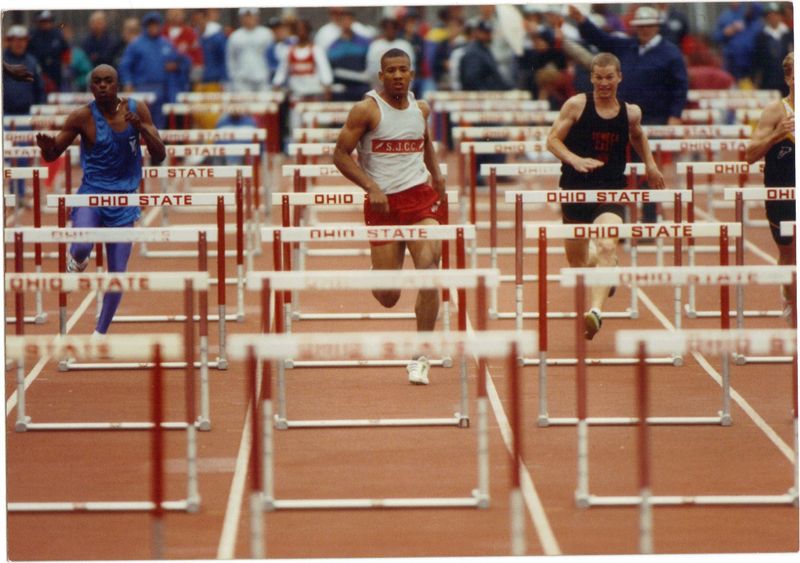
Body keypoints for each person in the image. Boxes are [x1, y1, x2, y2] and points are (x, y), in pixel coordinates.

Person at [333, 48, 446, 385]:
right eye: (391, 71)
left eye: (403, 70)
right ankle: (379, 274)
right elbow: (339, 154)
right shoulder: (367, 110)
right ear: (380, 76)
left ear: (412, 74)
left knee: (429, 269)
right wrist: (371, 186)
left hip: (419, 200)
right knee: (388, 297)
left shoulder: (421, 108)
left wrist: (437, 175)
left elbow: (425, 142)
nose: (398, 76)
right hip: (382, 206)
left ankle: (420, 355)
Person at [35, 65, 166, 338]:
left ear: (117, 84)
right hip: (92, 193)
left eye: (108, 81)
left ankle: (99, 334)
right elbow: (53, 153)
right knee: (82, 244)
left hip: (125, 199)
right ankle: (77, 261)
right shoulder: (82, 117)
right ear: (91, 87)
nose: (103, 86)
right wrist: (47, 148)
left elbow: (160, 154)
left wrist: (141, 129)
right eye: (97, 82)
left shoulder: (136, 109)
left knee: (116, 272)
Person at [546, 52, 665, 340]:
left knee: (607, 243)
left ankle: (595, 312)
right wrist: (575, 160)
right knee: (578, 262)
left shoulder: (630, 112)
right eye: (598, 78)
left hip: (610, 190)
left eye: (609, 77)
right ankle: (607, 269)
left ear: (619, 77)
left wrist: (650, 163)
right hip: (575, 190)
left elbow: (637, 135)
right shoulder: (576, 106)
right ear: (592, 78)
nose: (604, 83)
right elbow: (552, 140)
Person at [568, 4, 687, 225]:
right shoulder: (626, 45)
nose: (644, 30)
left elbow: (681, 86)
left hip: (656, 120)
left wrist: (675, 115)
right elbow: (600, 39)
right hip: (622, 118)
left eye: (648, 26)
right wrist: (582, 20)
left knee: (649, 169)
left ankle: (650, 218)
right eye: (640, 26)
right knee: (617, 168)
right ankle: (617, 218)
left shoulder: (671, 53)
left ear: (657, 26)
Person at [745, 52, 795, 322]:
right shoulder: (776, 111)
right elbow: (750, 154)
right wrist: (777, 134)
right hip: (782, 192)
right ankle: (790, 298)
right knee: (788, 253)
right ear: (789, 78)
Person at [118, 11, 184, 128]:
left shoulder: (166, 43)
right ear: (145, 26)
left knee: (159, 126)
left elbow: (181, 61)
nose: (153, 27)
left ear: (160, 25)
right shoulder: (136, 44)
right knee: (139, 124)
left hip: (163, 90)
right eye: (150, 24)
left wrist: (176, 65)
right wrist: (128, 82)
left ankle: (157, 145)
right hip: (142, 89)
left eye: (156, 24)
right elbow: (125, 66)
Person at [225, 7, 274, 92]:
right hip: (242, 80)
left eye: (251, 16)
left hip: (262, 78)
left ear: (257, 17)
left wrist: (271, 75)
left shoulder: (266, 34)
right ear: (241, 18)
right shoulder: (235, 36)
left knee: (264, 104)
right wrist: (233, 76)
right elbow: (230, 58)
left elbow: (272, 56)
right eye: (245, 16)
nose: (248, 19)